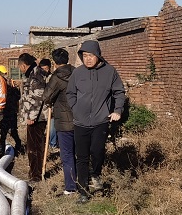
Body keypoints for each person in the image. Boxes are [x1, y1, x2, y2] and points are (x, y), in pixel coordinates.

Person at [66, 40, 126, 203]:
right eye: (85, 56)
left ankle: (95, 173)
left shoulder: (110, 72)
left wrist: (117, 110)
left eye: (91, 55)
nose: (88, 59)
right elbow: (70, 93)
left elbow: (119, 92)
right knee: (81, 157)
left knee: (97, 151)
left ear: (98, 55)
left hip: (100, 121)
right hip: (80, 122)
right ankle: (83, 191)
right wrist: (75, 108)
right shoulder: (78, 73)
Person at [42, 48, 76, 195]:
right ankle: (83, 181)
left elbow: (46, 96)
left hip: (64, 121)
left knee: (67, 154)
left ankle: (71, 186)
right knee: (80, 153)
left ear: (54, 62)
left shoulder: (56, 77)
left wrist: (51, 100)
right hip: (81, 119)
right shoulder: (77, 73)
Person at [17, 53, 47, 184]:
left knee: (34, 147)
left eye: (20, 67)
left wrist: (31, 117)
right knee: (32, 146)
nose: (20, 69)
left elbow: (37, 98)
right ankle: (34, 172)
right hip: (34, 116)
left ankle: (36, 176)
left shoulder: (36, 76)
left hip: (37, 118)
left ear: (24, 65)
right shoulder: (32, 74)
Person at [0, 65, 23, 155]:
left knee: (3, 133)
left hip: (5, 111)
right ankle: (19, 146)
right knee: (13, 131)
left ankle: (2, 152)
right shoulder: (12, 82)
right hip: (13, 111)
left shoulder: (1, 82)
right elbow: (18, 96)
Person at [39, 58, 57, 149]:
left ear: (49, 68)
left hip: (50, 106)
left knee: (52, 127)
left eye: (46, 68)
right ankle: (42, 144)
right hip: (41, 107)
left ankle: (52, 144)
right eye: (43, 69)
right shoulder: (38, 78)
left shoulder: (52, 78)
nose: (45, 71)